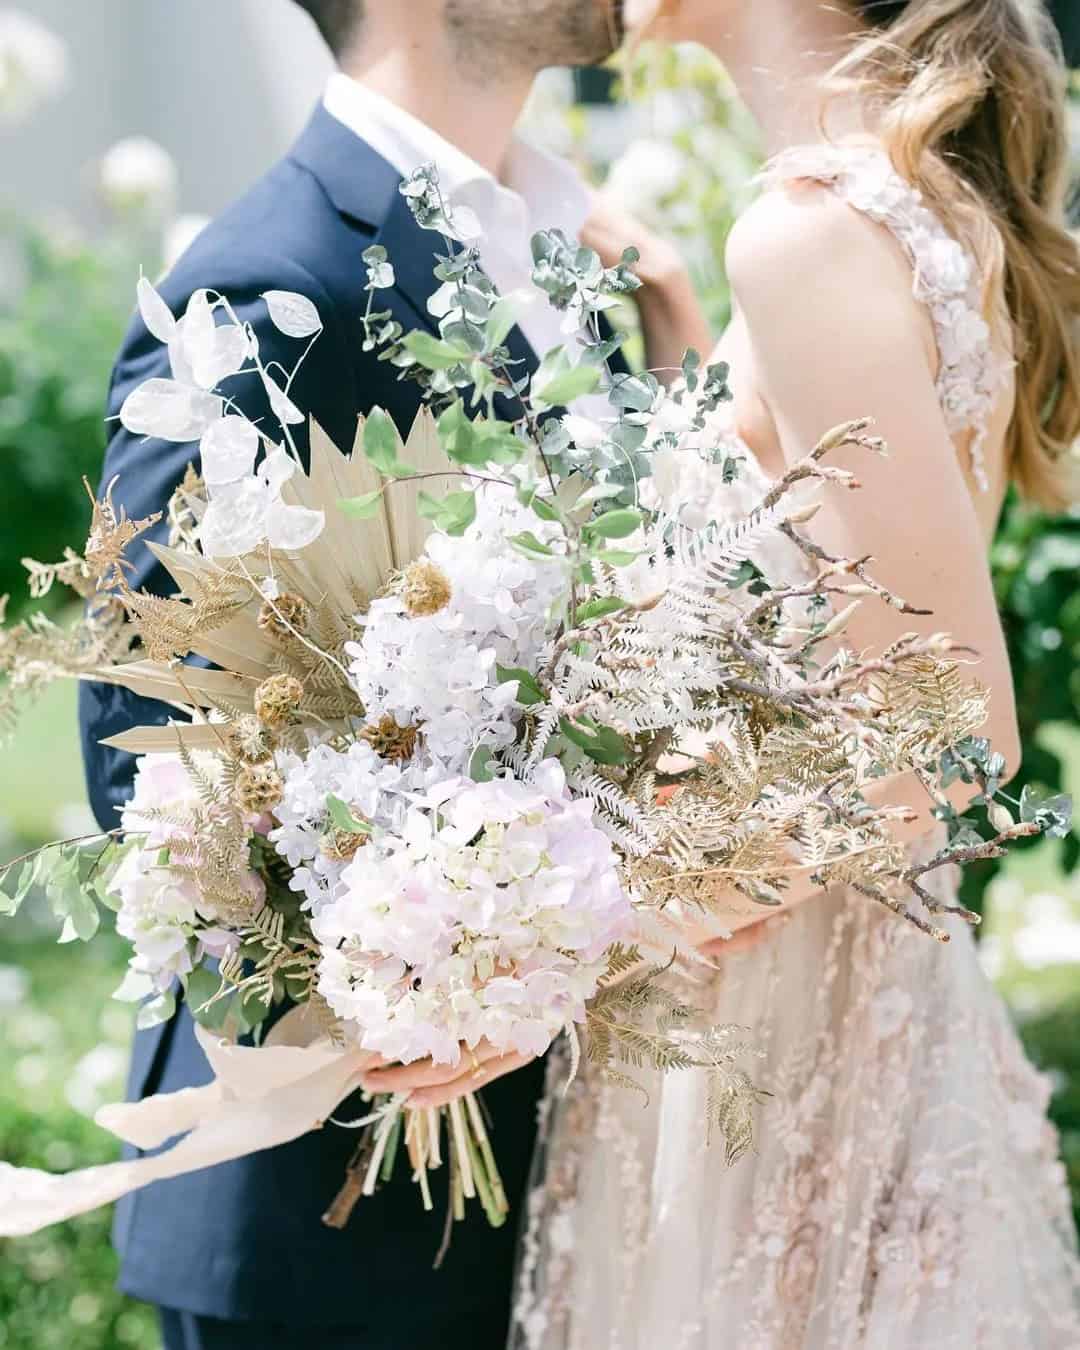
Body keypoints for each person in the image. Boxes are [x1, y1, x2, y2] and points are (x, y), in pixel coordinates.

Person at [76, 3, 706, 1346]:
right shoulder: (260, 283)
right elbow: (154, 754)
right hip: (331, 1218)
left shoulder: (577, 265)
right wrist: (430, 960)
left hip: (555, 1190)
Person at [513, 1, 1080, 1346]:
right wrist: (697, 367)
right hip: (828, 996)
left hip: (784, 1042)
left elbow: (956, 734)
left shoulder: (813, 235)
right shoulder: (886, 207)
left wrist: (619, 909)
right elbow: (828, 580)